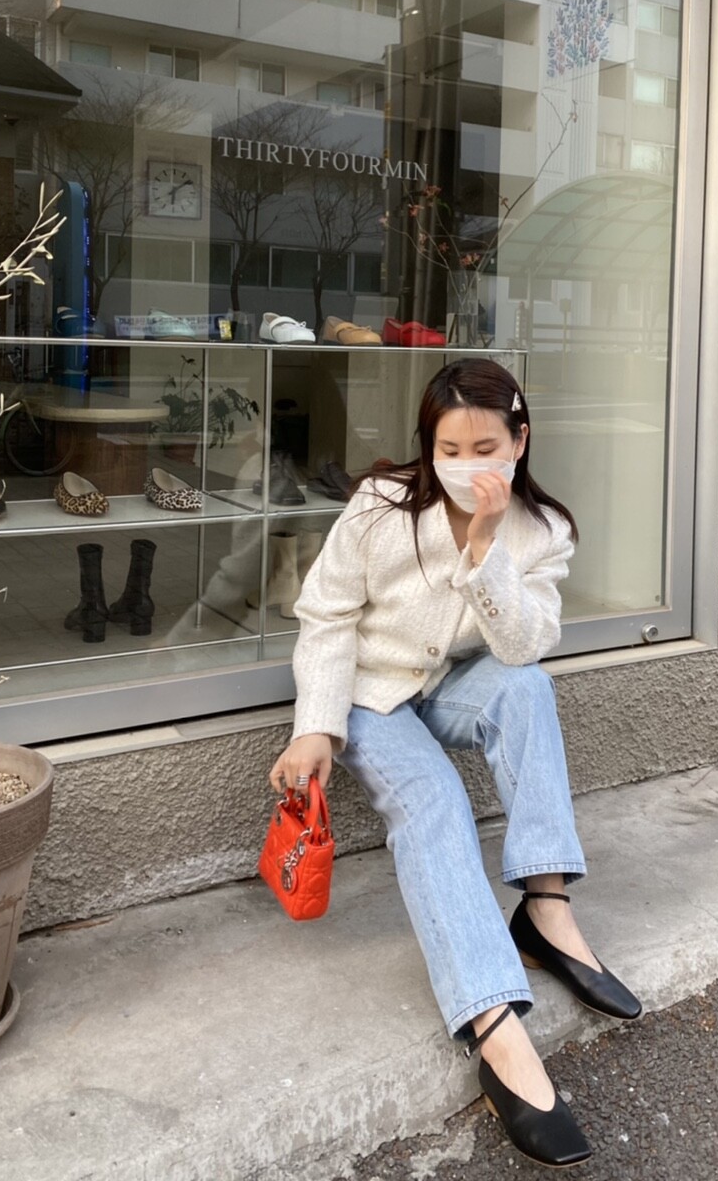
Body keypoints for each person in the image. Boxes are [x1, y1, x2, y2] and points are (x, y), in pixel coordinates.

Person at [269, 358, 641, 1169]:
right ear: (426, 445)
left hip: (448, 688)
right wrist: (315, 727)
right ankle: (495, 1027)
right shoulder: (380, 505)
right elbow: (325, 616)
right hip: (371, 697)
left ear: (519, 441)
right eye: (448, 449)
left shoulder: (544, 530)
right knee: (433, 798)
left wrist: (483, 550)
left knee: (527, 688)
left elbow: (522, 645)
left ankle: (546, 908)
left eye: (485, 447)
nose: (466, 464)